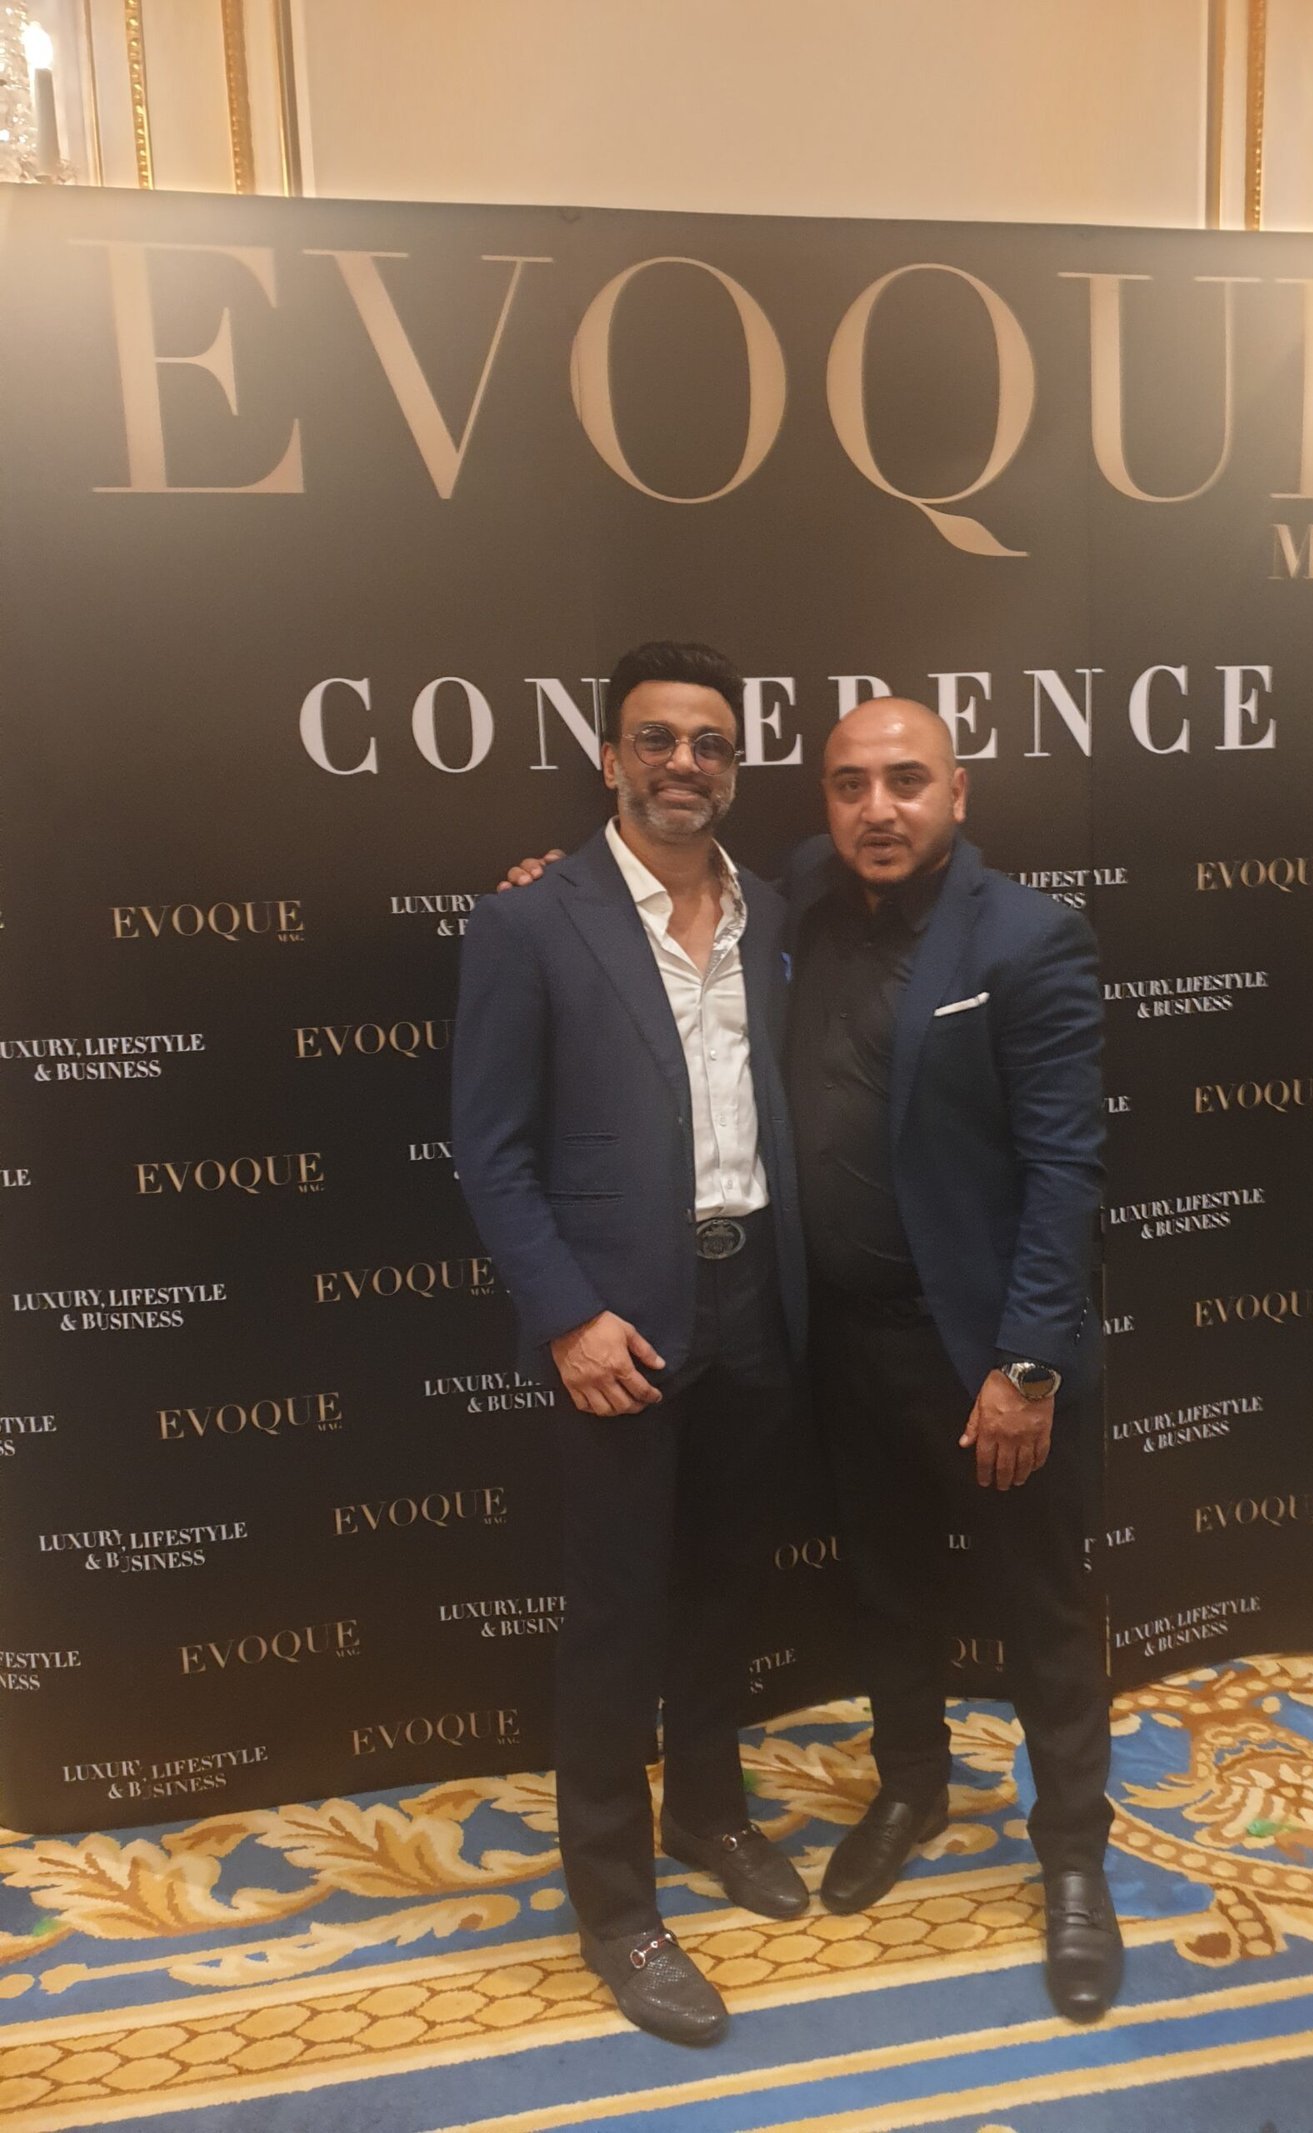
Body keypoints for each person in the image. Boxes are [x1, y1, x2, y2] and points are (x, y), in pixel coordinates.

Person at [499, 695, 1121, 2023]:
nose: (878, 808)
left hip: (990, 1356)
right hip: (829, 1338)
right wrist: (555, 890)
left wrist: (1028, 1365)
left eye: (907, 780)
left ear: (960, 791)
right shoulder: (794, 904)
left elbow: (1068, 1168)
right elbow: (608, 916)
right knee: (884, 1590)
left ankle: (1074, 1858)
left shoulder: (1028, 936)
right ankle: (910, 1786)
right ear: (821, 801)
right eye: (849, 784)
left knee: (1044, 1614)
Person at [453, 641, 809, 2048]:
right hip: (614, 1324)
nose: (683, 764)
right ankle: (615, 1906)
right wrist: (566, 1315)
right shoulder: (529, 922)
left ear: (736, 767)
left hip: (756, 1299)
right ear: (610, 759)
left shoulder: (777, 912)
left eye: (710, 743)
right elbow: (489, 1149)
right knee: (614, 1618)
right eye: (656, 739)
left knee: (725, 1586)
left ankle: (710, 1811)